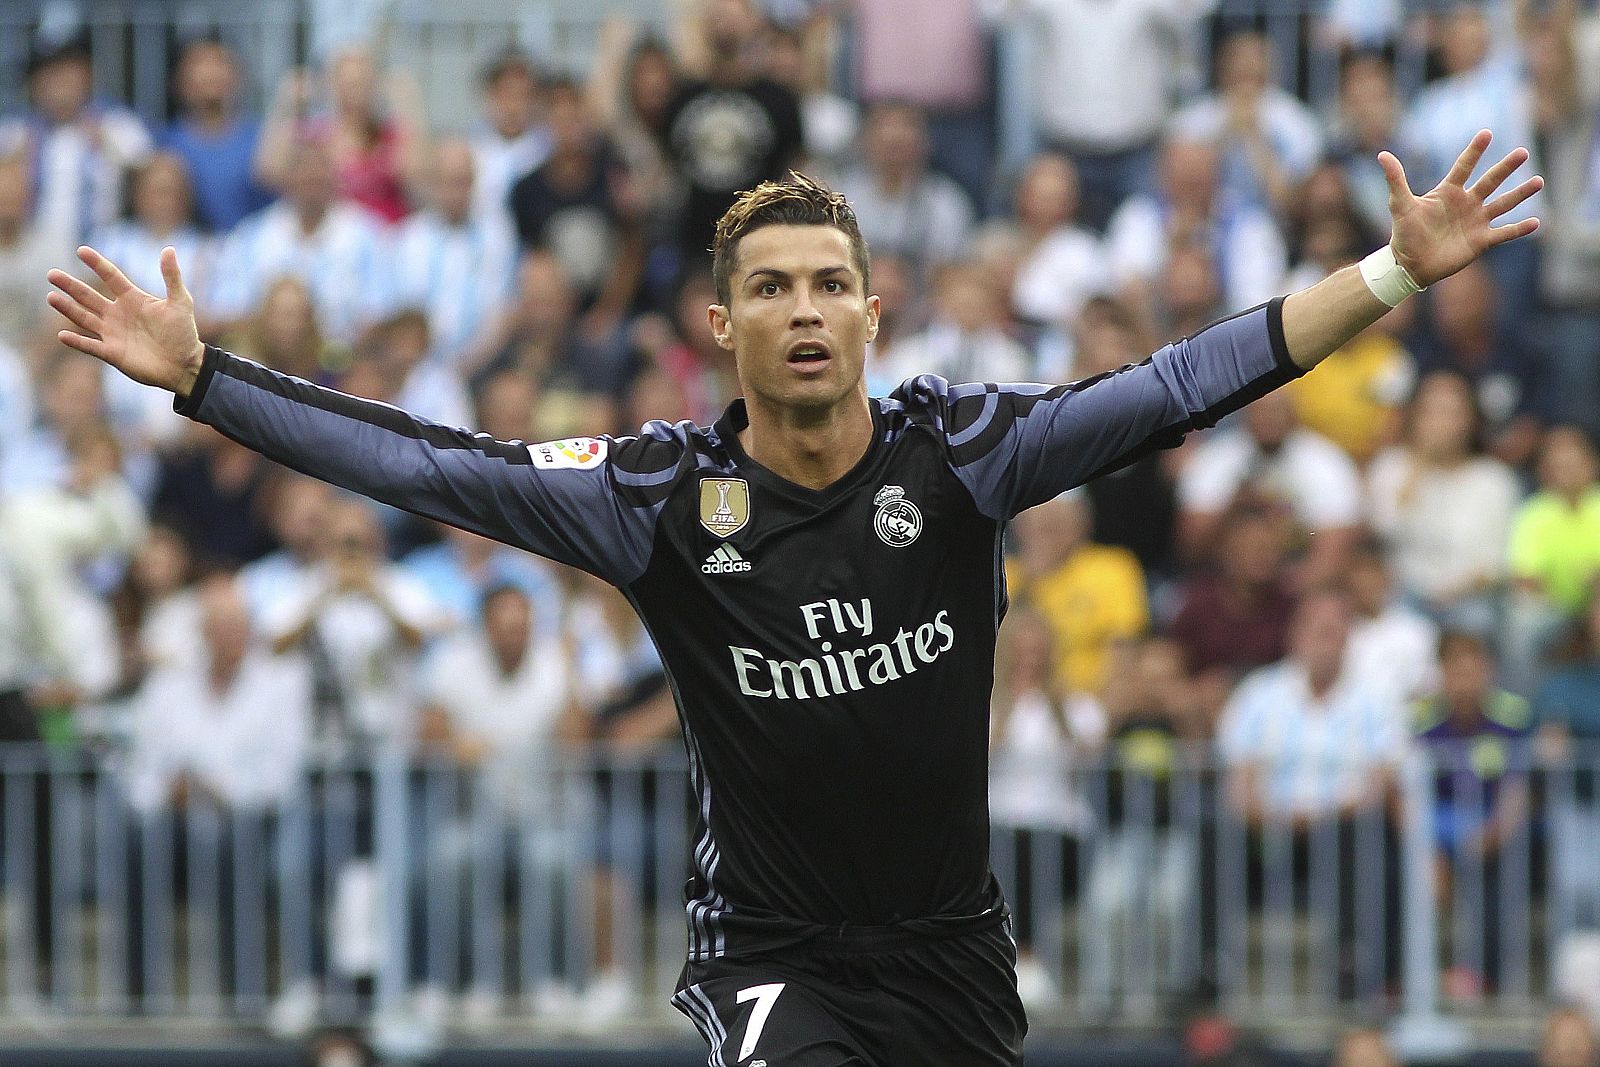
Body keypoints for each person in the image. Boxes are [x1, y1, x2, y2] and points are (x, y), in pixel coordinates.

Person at [47, 128, 1542, 1065]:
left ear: (873, 314)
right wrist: (206, 377)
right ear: (723, 325)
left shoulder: (963, 454)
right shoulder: (652, 496)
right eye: (771, 288)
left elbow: (1182, 381)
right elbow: (431, 463)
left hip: (952, 949)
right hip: (768, 951)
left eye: (830, 284)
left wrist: (1392, 274)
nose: (804, 309)